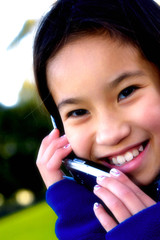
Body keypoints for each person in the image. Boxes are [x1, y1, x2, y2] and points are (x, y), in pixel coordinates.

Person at [33, 0, 160, 239]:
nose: (110, 133)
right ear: (59, 129)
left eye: (127, 91)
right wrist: (70, 202)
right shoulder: (91, 221)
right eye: (78, 112)